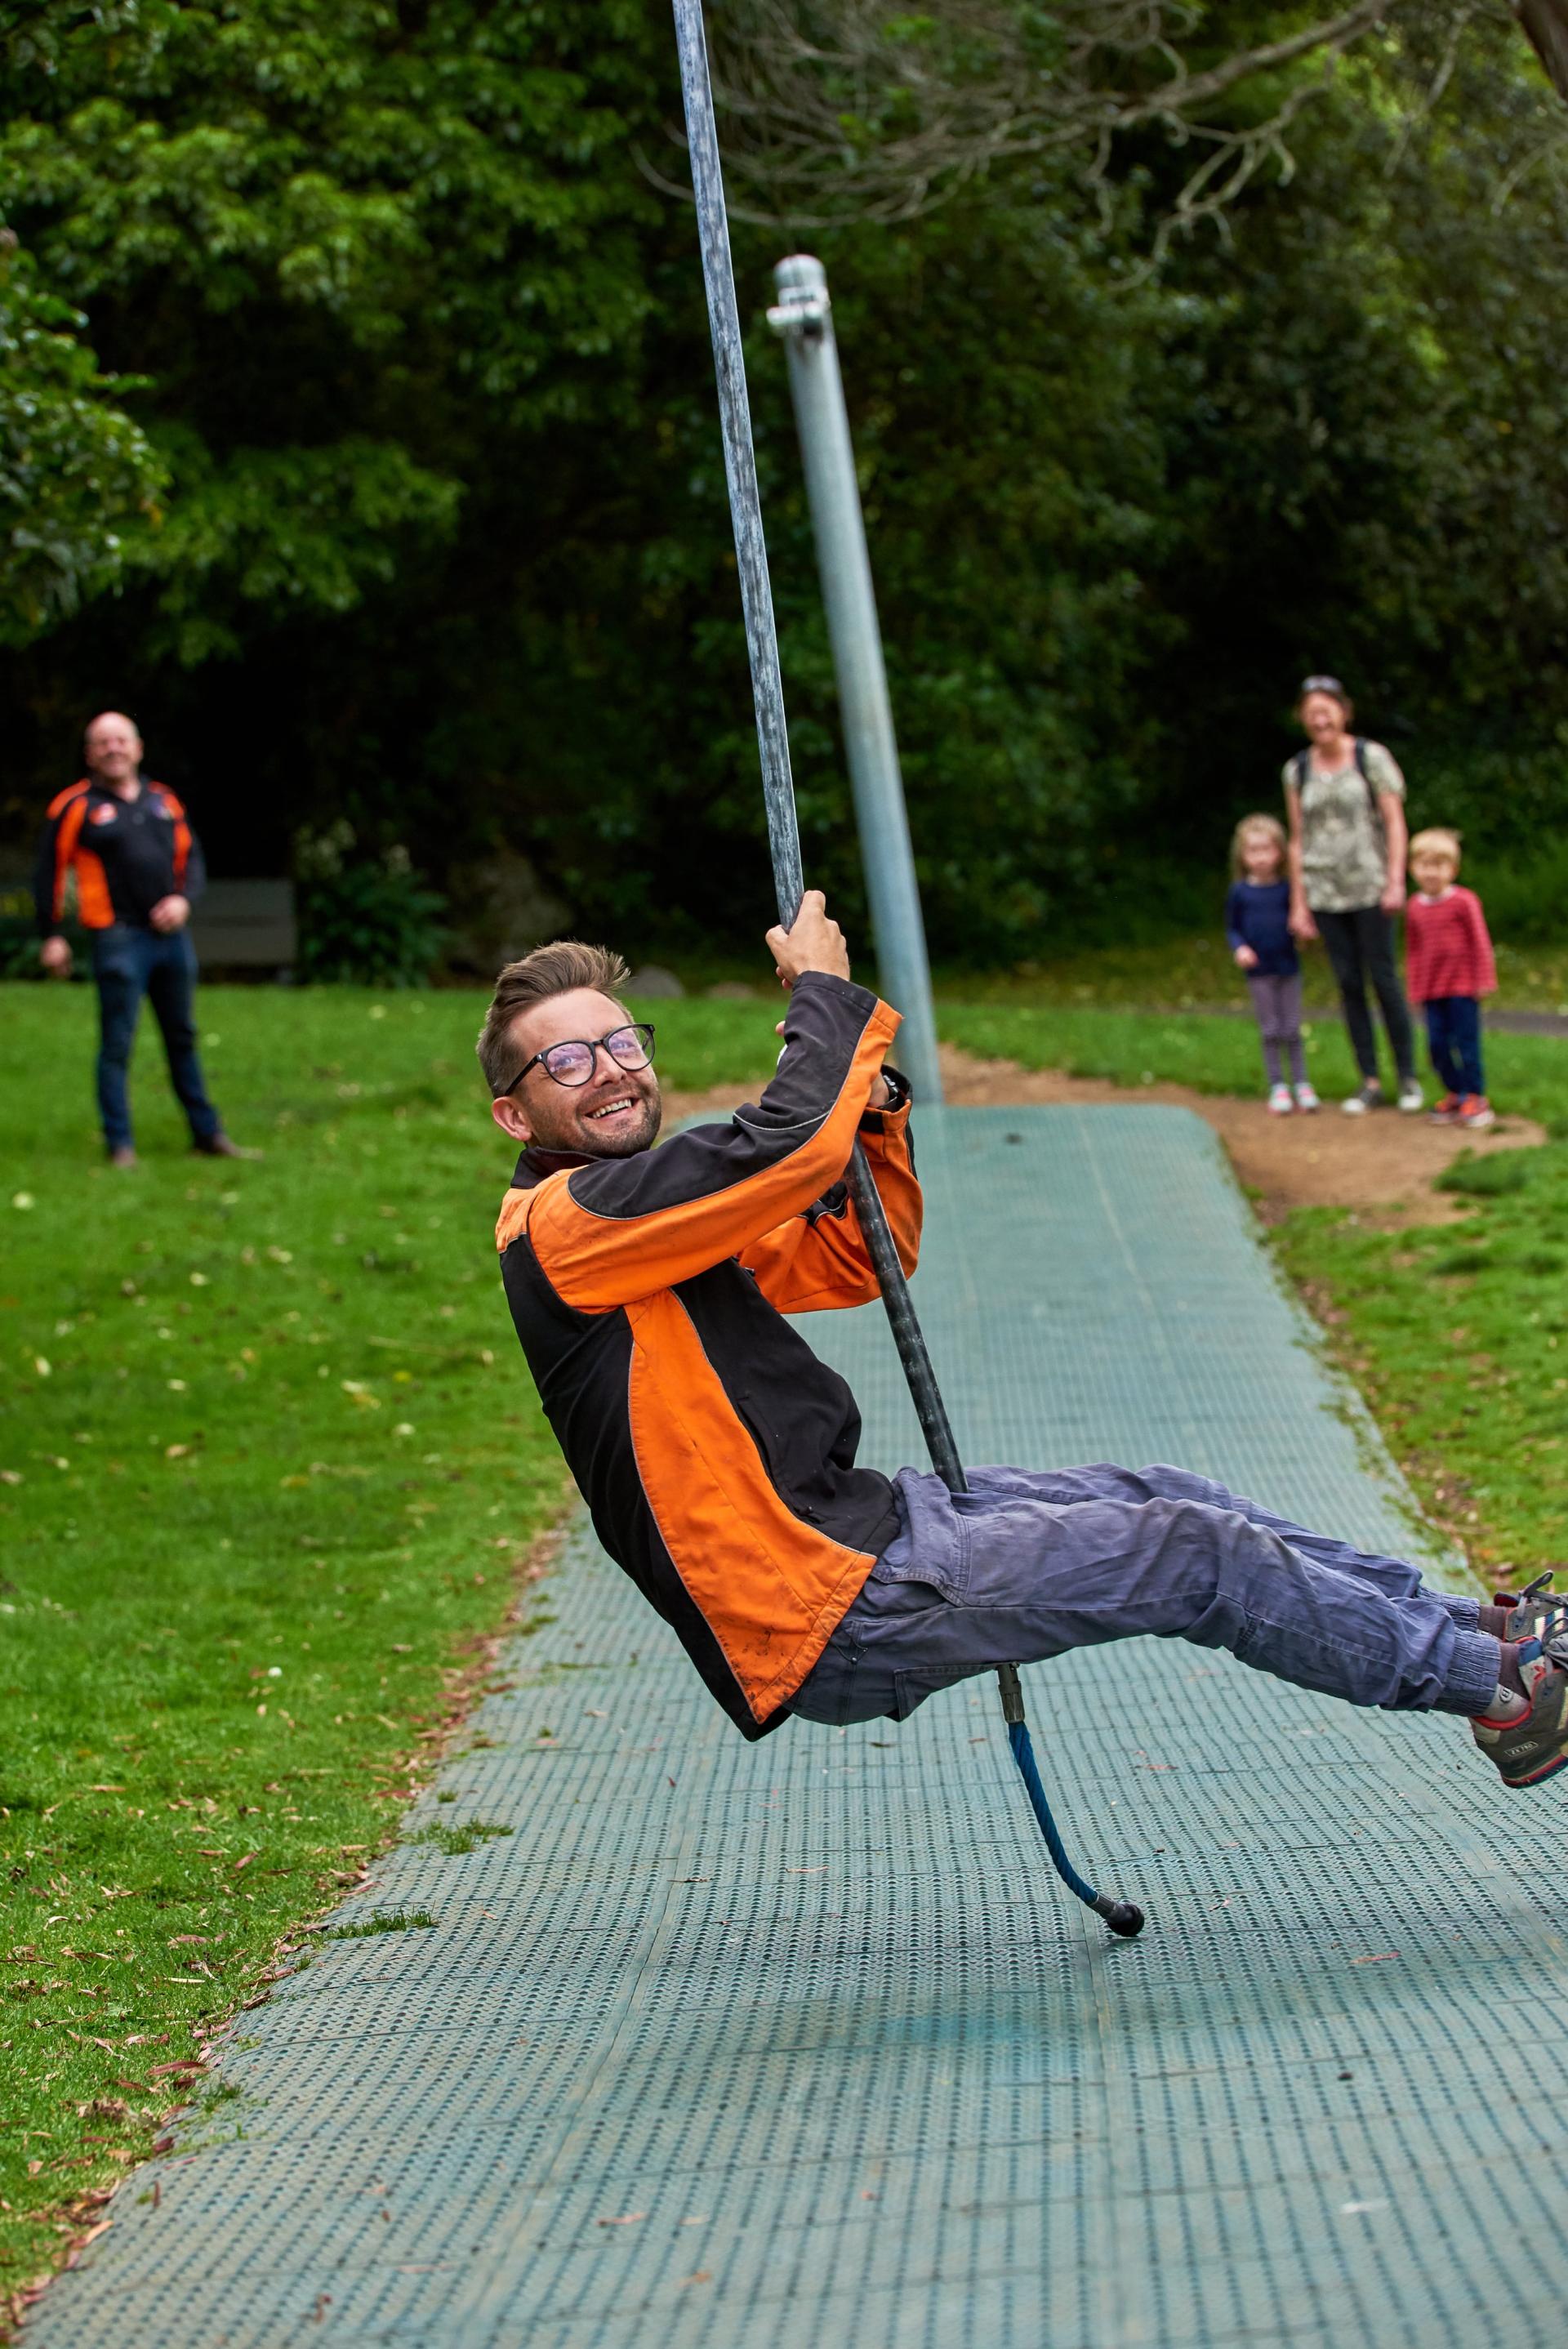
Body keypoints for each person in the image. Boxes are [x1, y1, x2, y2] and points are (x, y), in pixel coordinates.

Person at [480, 895, 1568, 1792]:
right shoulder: (569, 1229)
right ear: (515, 1118)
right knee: (1189, 1552)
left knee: (1169, 1489)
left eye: (623, 1042)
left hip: (876, 1524)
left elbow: (854, 1257)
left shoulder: (647, 1227)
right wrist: (823, 998)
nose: (614, 1071)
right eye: (567, 1064)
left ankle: (1486, 1630)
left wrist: (875, 1107)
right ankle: (1506, 1691)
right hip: (820, 1604)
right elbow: (784, 1148)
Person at [33, 710, 246, 1168]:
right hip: (118, 940)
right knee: (117, 1043)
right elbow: (49, 871)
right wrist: (52, 935)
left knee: (183, 1037)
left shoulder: (164, 802)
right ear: (90, 754)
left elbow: (193, 862)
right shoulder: (74, 806)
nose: (114, 749)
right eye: (103, 742)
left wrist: (184, 901)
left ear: (138, 747)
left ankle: (207, 1134)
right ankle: (121, 1145)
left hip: (171, 940)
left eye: (121, 740)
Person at [1283, 675, 1421, 1117]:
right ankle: (1370, 1079)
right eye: (1311, 712)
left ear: (1344, 711)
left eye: (1327, 709)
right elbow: (1297, 838)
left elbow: (1394, 821)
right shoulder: (1297, 769)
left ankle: (1408, 1076)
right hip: (1325, 890)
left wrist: (1396, 880)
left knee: (1383, 978)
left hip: (1371, 883)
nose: (1319, 719)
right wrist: (1299, 903)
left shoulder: (1370, 757)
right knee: (1348, 984)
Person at [1405, 827, 1497, 1132]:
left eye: (1439, 865)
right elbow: (1414, 951)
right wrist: (1415, 989)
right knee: (1437, 1045)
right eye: (1425, 865)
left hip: (1462, 986)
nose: (1432, 872)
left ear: (1453, 869)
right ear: (1413, 868)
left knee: (1466, 1044)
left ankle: (1476, 1096)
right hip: (1432, 990)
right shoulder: (1415, 907)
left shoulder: (1464, 902)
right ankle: (1455, 1093)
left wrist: (1483, 979)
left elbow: (1480, 941)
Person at [1225, 813, 1317, 1116]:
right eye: (1254, 850)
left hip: (1288, 967)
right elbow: (1232, 928)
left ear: (1280, 852)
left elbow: (1301, 922)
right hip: (1259, 972)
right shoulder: (1240, 892)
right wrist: (1240, 949)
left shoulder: (1289, 890)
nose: (1262, 857)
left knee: (1292, 1028)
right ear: (1243, 854)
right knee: (1271, 1029)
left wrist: (1304, 932)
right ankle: (1277, 1084)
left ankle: (1301, 1083)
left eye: (1267, 850)